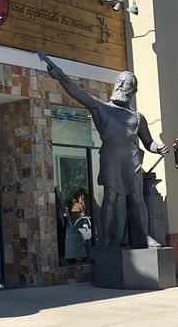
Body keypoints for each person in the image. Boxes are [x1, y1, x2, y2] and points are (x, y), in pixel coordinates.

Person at [46, 61, 168, 248]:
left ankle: (145, 236)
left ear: (133, 90)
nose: (120, 85)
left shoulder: (138, 117)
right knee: (110, 197)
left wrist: (158, 147)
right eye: (119, 82)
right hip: (111, 158)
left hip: (132, 160)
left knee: (137, 198)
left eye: (126, 83)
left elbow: (148, 142)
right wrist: (60, 76)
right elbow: (78, 92)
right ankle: (105, 239)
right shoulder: (102, 108)